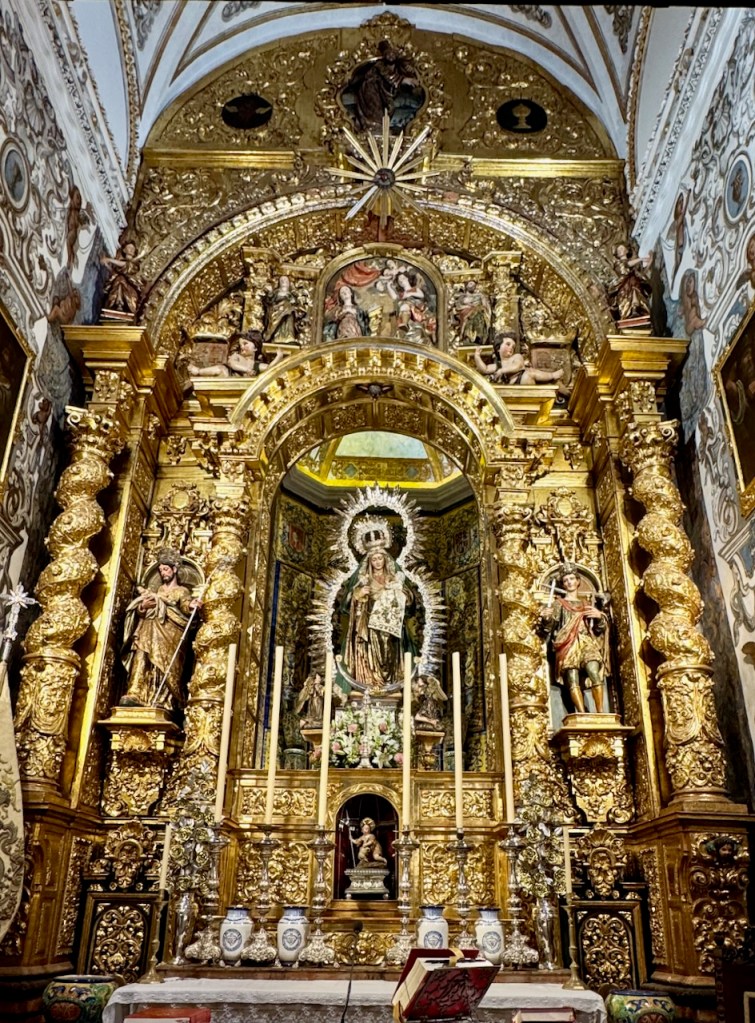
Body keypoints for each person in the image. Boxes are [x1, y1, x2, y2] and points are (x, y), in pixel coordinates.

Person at [120, 549, 202, 710]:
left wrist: (191, 606)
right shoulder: (157, 591)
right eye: (161, 570)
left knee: (163, 662)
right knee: (141, 653)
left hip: (169, 632)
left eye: (165, 569)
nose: (163, 573)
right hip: (147, 627)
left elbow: (185, 606)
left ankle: (162, 698)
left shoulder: (182, 591)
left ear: (174, 570)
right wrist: (143, 606)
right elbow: (140, 610)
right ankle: (136, 691)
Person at [340, 544, 415, 692]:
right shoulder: (364, 580)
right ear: (369, 562)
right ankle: (371, 682)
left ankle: (389, 683)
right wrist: (359, 594)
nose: (378, 562)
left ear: (385, 559)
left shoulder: (394, 578)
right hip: (369, 625)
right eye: (374, 559)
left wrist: (400, 592)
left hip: (391, 626)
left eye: (380, 558)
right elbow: (347, 603)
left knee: (390, 653)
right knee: (370, 653)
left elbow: (409, 600)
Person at [538, 564, 610, 714]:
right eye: (566, 580)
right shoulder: (559, 604)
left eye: (572, 579)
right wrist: (546, 618)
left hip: (586, 641)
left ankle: (601, 712)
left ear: (578, 581)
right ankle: (582, 713)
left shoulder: (586, 604)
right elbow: (548, 628)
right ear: (563, 584)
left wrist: (599, 617)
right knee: (572, 678)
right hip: (567, 644)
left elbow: (598, 630)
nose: (569, 582)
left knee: (594, 671)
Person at [474, 332, 564, 385]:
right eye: (508, 344)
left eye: (513, 347)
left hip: (521, 380)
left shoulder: (516, 357)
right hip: (511, 386)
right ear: (498, 348)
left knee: (529, 372)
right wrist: (477, 356)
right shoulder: (497, 365)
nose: (511, 348)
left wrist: (502, 371)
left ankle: (552, 375)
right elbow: (484, 369)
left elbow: (517, 366)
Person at [187, 331, 284, 378]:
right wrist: (246, 370)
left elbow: (269, 369)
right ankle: (198, 371)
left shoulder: (256, 365)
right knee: (221, 369)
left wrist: (278, 358)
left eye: (245, 344)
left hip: (245, 386)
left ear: (255, 348)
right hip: (230, 377)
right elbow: (232, 363)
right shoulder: (237, 356)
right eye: (241, 345)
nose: (242, 347)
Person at [607, 243, 653, 322]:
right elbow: (626, 266)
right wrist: (640, 259)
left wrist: (649, 263)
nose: (620, 251)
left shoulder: (634, 266)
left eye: (622, 249)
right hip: (624, 287)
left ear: (627, 250)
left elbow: (641, 274)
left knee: (637, 294)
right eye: (618, 250)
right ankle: (629, 312)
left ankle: (637, 310)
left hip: (634, 284)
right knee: (627, 300)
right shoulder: (618, 264)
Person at [101, 238, 143, 317]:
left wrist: (109, 260)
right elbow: (115, 273)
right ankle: (118, 302)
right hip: (119, 282)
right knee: (119, 279)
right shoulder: (120, 263)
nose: (131, 250)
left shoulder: (134, 264)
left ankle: (121, 302)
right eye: (129, 247)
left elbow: (126, 266)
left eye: (133, 248)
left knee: (121, 279)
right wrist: (106, 265)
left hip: (131, 286)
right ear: (124, 250)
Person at [453, 280, 492, 346]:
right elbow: (458, 306)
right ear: (467, 286)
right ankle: (467, 337)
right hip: (466, 313)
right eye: (470, 284)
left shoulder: (480, 295)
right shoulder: (462, 297)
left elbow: (485, 306)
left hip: (478, 312)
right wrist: (467, 306)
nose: (472, 286)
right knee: (468, 320)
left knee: (479, 317)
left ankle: (478, 337)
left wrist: (479, 308)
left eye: (474, 285)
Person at [264, 274, 300, 345]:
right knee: (278, 323)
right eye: (282, 280)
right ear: (279, 282)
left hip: (288, 311)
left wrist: (292, 300)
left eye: (286, 280)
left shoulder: (290, 293)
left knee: (289, 321)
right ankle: (277, 337)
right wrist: (270, 294)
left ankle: (289, 336)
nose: (284, 282)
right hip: (278, 310)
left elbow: (295, 302)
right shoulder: (276, 292)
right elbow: (270, 301)